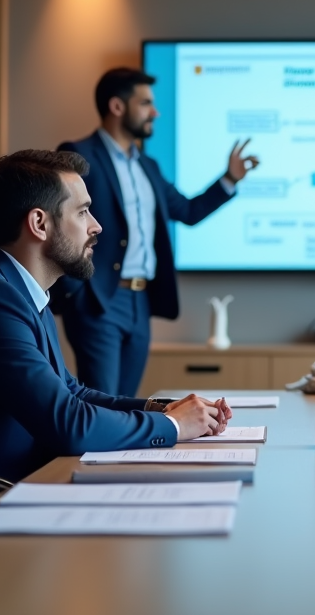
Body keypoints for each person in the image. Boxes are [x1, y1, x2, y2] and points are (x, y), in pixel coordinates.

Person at [0, 150, 232, 517]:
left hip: (12, 498)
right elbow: (68, 424)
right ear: (39, 223)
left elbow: (73, 393)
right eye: (83, 211)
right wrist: (171, 425)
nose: (96, 226)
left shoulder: (19, 294)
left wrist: (161, 408)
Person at [53, 67, 259, 396]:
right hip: (99, 299)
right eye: (146, 103)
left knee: (127, 401)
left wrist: (229, 179)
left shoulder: (148, 166)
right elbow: (58, 220)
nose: (155, 112)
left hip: (141, 301)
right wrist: (74, 292)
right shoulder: (79, 154)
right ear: (117, 106)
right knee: (101, 403)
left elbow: (188, 212)